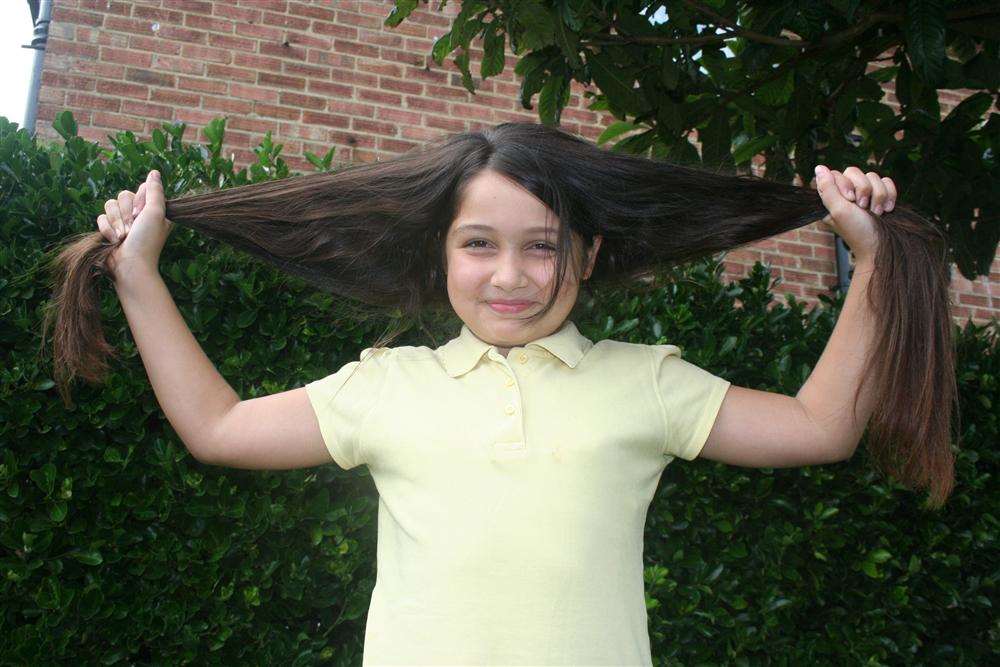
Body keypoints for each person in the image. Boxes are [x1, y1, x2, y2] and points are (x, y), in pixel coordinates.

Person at [56, 122, 952, 665]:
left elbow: (821, 423)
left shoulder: (646, 380)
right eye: (479, 243)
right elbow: (217, 426)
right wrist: (137, 276)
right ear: (441, 253)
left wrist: (873, 262)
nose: (510, 275)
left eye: (543, 244)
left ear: (589, 254)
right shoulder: (385, 387)